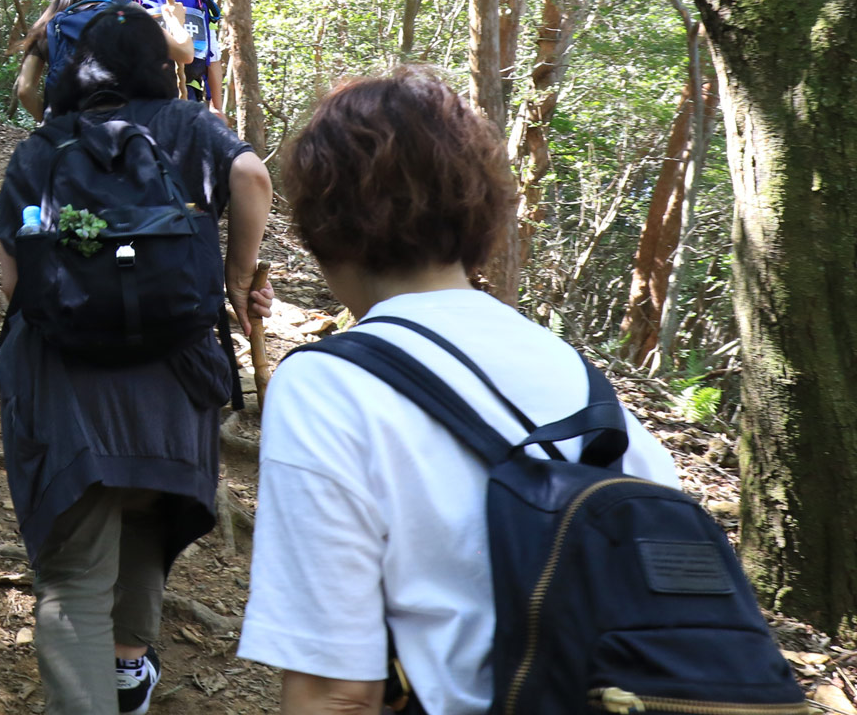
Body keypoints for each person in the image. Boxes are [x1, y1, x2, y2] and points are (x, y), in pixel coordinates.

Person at [237, 69, 679, 715]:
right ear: (479, 216)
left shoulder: (326, 386)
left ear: (320, 226)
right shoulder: (576, 376)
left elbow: (337, 692)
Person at [0, 2, 274, 715]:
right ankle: (128, 671)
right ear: (158, 65)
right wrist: (239, 276)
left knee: (74, 584)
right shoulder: (190, 126)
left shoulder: (41, 147)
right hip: (175, 382)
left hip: (67, 390)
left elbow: (14, 284)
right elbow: (252, 178)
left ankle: (99, 688)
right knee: (147, 520)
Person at [17, 0, 194, 123]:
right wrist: (175, 20)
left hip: (67, 140)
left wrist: (54, 124)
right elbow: (185, 53)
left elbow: (24, 90)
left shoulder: (48, 25)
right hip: (122, 133)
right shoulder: (127, 12)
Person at [14, 0, 115, 123]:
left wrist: (50, 122)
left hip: (65, 134)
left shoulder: (48, 26)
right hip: (116, 130)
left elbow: (25, 89)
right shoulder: (122, 17)